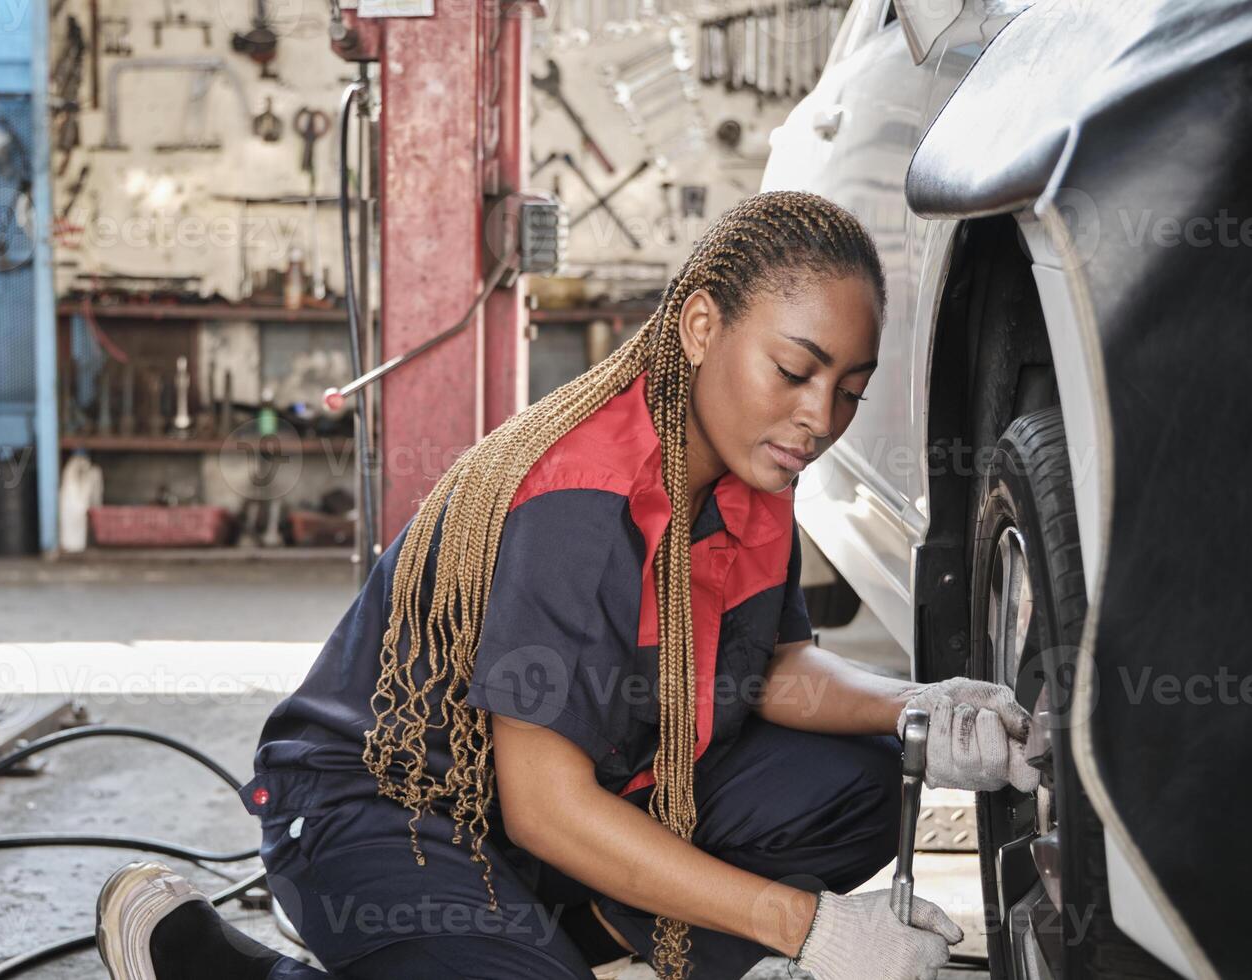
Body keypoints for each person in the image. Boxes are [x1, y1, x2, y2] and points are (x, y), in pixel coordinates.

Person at [94, 191, 1038, 980]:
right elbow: (544, 806)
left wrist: (919, 707)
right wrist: (807, 926)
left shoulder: (749, 474)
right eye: (795, 371)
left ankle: (568, 941)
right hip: (391, 806)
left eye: (849, 392)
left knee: (863, 781)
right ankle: (228, 968)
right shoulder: (580, 504)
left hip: (567, 798)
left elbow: (777, 668)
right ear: (702, 324)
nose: (817, 417)